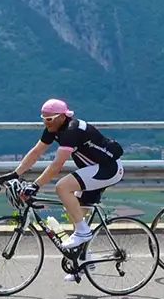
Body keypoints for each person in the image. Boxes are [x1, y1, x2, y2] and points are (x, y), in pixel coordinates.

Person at [10, 99, 124, 250]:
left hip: (108, 169)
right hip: (93, 170)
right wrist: (15, 173)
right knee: (74, 213)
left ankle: (83, 232)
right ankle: (84, 261)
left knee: (62, 187)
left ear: (62, 117)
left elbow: (57, 165)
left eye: (49, 119)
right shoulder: (54, 129)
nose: (46, 123)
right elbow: (36, 152)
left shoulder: (72, 130)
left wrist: (36, 185)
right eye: (43, 118)